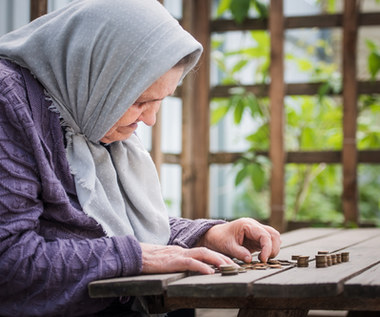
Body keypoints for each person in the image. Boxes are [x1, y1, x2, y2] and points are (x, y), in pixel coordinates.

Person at [0, 0, 281, 316]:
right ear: (97, 75)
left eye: (160, 101)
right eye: (138, 101)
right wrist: (135, 259)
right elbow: (9, 260)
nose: (150, 121)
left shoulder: (87, 107)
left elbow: (115, 226)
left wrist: (209, 235)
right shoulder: (9, 101)